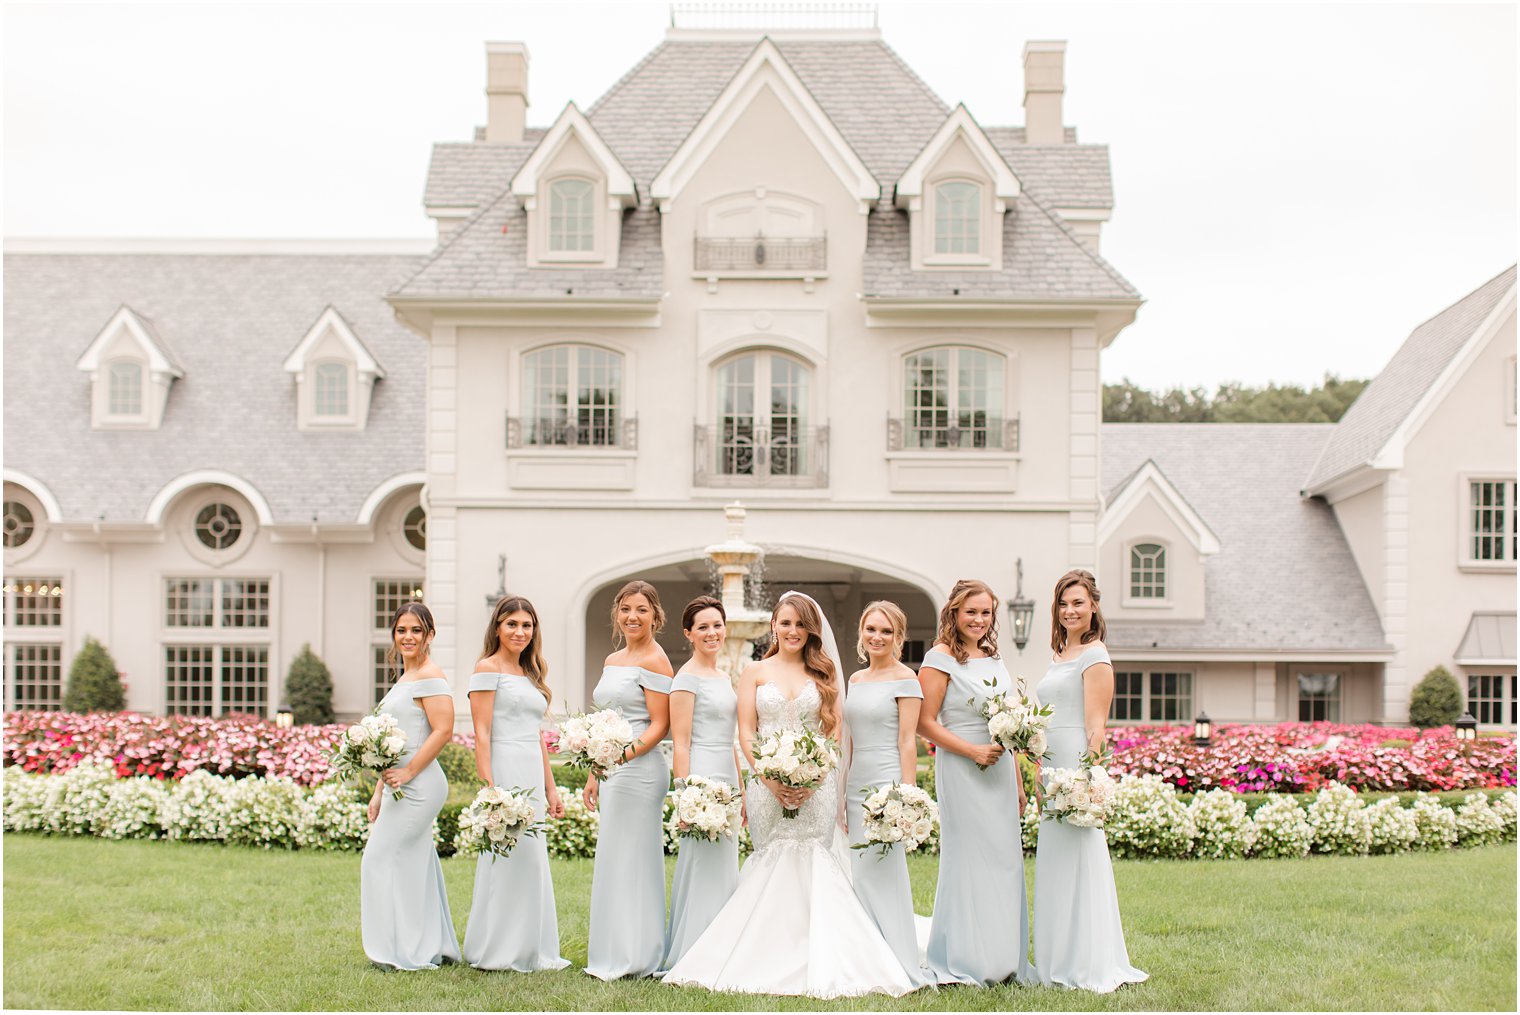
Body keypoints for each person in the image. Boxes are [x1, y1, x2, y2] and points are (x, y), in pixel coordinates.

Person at [663, 592, 919, 999]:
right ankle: (762, 950)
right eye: (785, 623)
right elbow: (746, 731)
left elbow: (834, 732)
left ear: (810, 630)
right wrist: (767, 777)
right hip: (765, 786)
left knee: (814, 859)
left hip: (816, 787)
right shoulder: (753, 671)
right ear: (774, 626)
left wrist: (816, 777)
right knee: (771, 859)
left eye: (800, 624)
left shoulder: (826, 671)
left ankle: (824, 950)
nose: (793, 631)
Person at [1032, 570, 1148, 992]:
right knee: (1057, 865)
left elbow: (1097, 727)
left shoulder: (1095, 655)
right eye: (1063, 603)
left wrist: (1086, 781)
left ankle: (1087, 960)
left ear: (1094, 606)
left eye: (1078, 602)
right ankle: (1056, 957)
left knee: (1082, 860)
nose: (1069, 611)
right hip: (1050, 766)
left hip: (1075, 769)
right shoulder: (1061, 653)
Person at [916, 579, 1031, 985]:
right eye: (972, 612)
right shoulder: (939, 658)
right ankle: (967, 958)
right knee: (970, 860)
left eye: (986, 613)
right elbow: (924, 723)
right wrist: (973, 751)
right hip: (963, 769)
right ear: (954, 613)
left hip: (1000, 770)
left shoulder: (993, 657)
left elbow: (1007, 727)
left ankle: (1003, 958)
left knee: (1003, 860)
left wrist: (1016, 781)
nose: (979, 620)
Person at [461, 594, 569, 972]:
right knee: (504, 855)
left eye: (527, 625)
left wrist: (551, 788)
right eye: (512, 624)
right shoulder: (486, 668)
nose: (520, 632)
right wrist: (490, 785)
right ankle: (496, 948)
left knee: (531, 858)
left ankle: (531, 948)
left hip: (531, 770)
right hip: (504, 768)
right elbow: (483, 731)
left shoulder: (532, 672)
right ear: (497, 627)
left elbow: (537, 735)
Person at [360, 602, 461, 970]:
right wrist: (379, 791)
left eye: (416, 630)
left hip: (420, 785)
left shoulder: (431, 676)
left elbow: (443, 731)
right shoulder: (404, 678)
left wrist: (409, 773)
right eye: (401, 630)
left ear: (429, 635)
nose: (408, 637)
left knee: (379, 859)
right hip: (397, 786)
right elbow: (391, 741)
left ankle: (397, 950)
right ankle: (427, 945)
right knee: (416, 863)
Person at [583, 580, 673, 980]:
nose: (633, 617)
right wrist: (594, 771)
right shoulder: (611, 660)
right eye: (625, 609)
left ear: (655, 614)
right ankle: (610, 950)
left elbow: (660, 724)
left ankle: (637, 955)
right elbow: (605, 723)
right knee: (614, 858)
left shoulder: (656, 661)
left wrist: (619, 757)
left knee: (636, 859)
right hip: (610, 771)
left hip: (640, 771)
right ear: (617, 615)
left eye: (641, 609)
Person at [844, 600, 933, 987]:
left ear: (898, 637)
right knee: (858, 871)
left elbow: (907, 742)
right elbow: (847, 739)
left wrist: (906, 796)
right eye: (871, 629)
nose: (877, 637)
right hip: (854, 780)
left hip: (887, 781)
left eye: (886, 631)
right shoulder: (855, 680)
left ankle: (897, 954)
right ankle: (867, 954)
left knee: (885, 867)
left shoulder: (906, 679)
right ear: (862, 632)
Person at [660, 596, 742, 970]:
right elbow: (681, 742)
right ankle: (694, 952)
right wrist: (686, 796)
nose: (712, 633)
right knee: (701, 863)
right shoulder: (685, 679)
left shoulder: (725, 677)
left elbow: (733, 739)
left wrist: (740, 791)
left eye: (717, 625)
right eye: (703, 627)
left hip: (727, 773)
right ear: (688, 634)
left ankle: (724, 948)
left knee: (724, 863)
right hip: (702, 779)